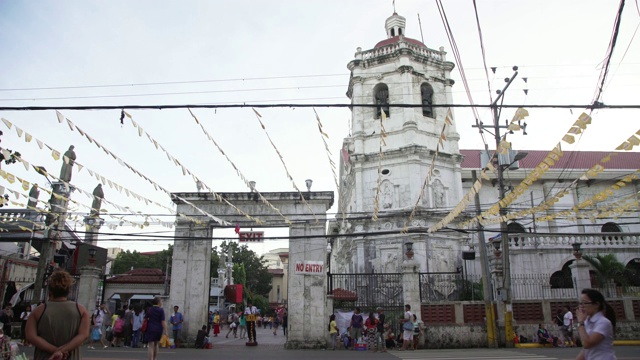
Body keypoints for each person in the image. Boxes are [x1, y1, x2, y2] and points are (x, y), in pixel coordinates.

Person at [26, 270, 90, 360]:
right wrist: (63, 350)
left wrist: (55, 350)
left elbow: (31, 336)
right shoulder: (81, 311)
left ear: (50, 291)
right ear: (69, 290)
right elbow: (83, 335)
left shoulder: (38, 311)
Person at [575, 288, 616, 360]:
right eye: (580, 303)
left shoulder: (603, 322)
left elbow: (587, 344)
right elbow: (586, 351)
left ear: (596, 304)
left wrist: (581, 322)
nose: (581, 306)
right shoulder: (587, 321)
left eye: (584, 303)